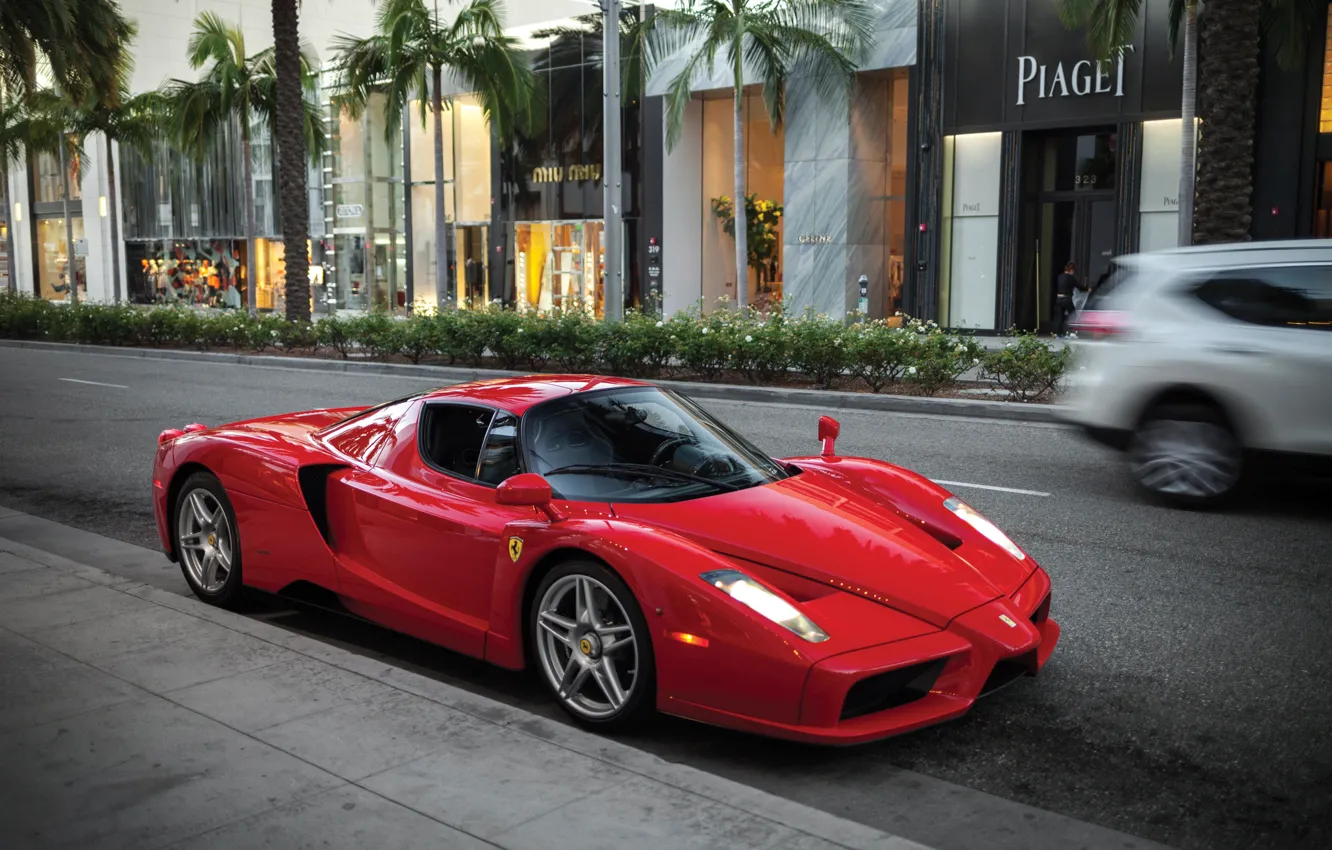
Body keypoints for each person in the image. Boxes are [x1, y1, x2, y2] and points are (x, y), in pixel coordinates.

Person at [1055, 261, 1086, 337]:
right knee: (1073, 315)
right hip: (1066, 299)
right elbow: (1080, 287)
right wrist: (1088, 289)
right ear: (1071, 270)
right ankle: (1072, 333)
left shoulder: (1060, 276)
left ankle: (1059, 334)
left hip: (1059, 299)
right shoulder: (1071, 278)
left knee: (1061, 317)